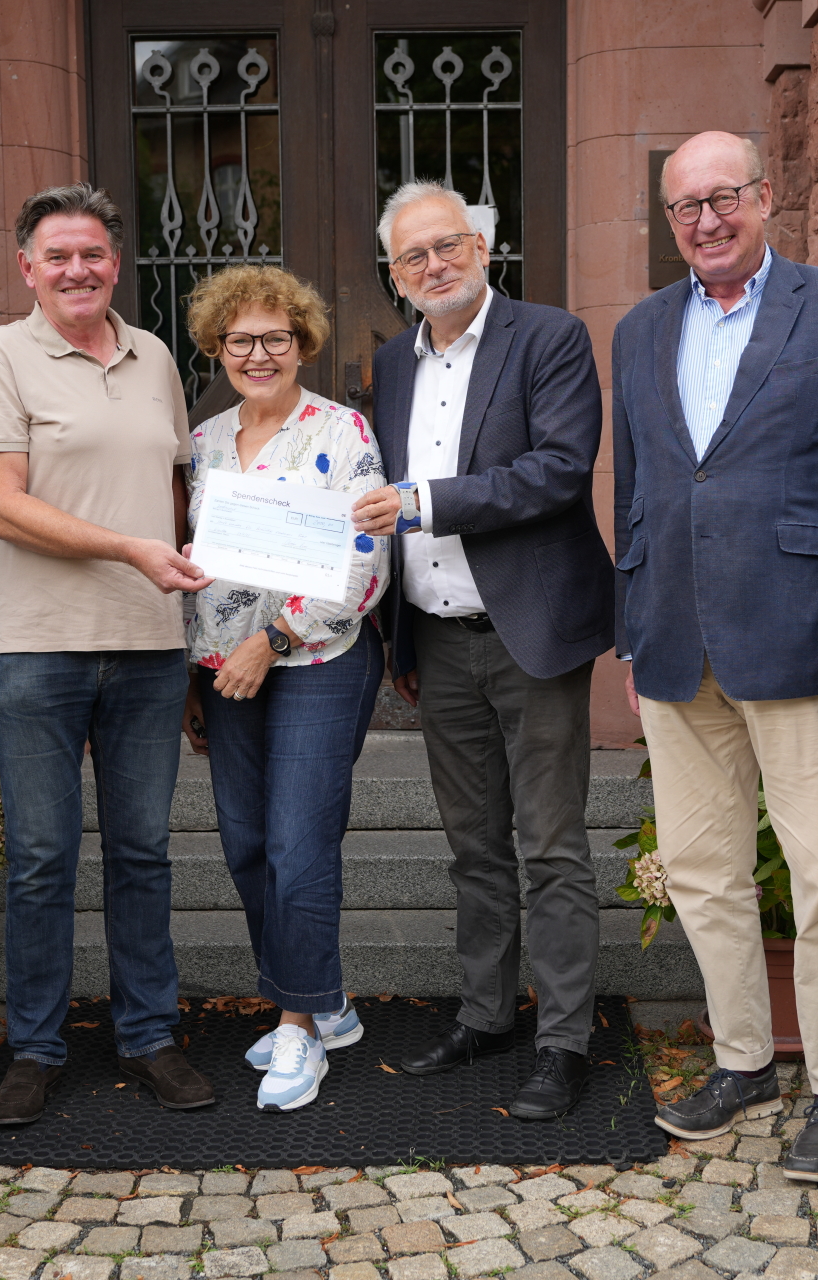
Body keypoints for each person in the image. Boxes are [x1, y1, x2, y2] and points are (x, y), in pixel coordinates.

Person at [610, 131, 818, 1173]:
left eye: (723, 197)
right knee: (702, 872)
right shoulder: (641, 327)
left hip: (805, 637)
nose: (706, 221)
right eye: (685, 207)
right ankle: (743, 1059)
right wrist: (632, 620)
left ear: (765, 195)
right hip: (674, 641)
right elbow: (639, 487)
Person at [350, 180, 614, 1122]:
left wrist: (425, 502)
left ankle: (565, 1041)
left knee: (551, 846)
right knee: (473, 848)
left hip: (529, 634)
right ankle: (486, 1013)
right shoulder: (392, 362)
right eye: (413, 256)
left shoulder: (549, 338)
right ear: (395, 276)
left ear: (482, 247)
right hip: (436, 637)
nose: (435, 266)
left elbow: (558, 470)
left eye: (448, 245)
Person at [0, 184, 216, 1126]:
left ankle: (148, 1035)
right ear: (28, 268)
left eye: (94, 254)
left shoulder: (154, 358)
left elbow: (175, 496)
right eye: (58, 256)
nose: (78, 270)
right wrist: (130, 550)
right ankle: (35, 1049)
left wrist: (193, 609)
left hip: (147, 647)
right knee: (40, 858)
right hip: (36, 650)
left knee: (143, 852)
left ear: (116, 263)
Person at [179, 265, 389, 1111]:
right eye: (241, 340)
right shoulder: (202, 442)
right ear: (218, 347)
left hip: (316, 661)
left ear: (302, 344)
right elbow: (193, 566)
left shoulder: (343, 430)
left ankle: (298, 1025)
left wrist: (271, 641)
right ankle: (324, 1001)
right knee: (246, 845)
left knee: (299, 846)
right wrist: (196, 674)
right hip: (222, 670)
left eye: (276, 338)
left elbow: (365, 562)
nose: (258, 354)